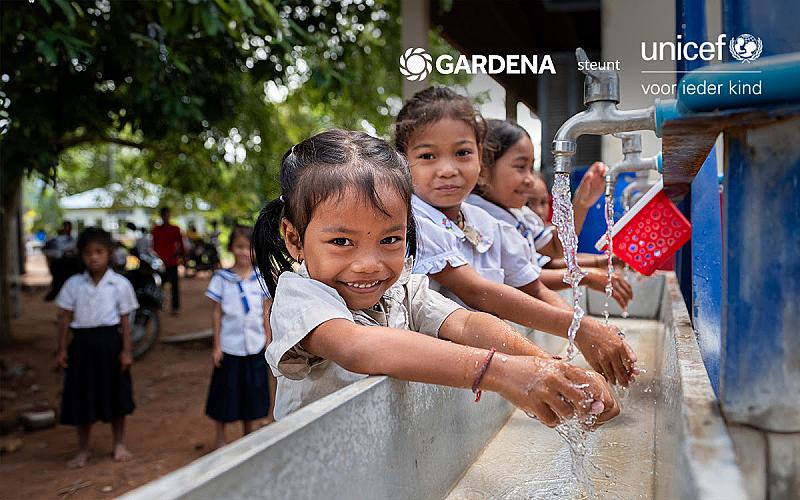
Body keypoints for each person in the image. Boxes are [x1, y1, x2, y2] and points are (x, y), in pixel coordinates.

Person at [253, 129, 619, 428]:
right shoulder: (301, 295)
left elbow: (465, 322)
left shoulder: (402, 286)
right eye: (341, 242)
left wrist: (550, 368)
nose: (369, 264)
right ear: (294, 239)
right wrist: (502, 374)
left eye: (389, 239)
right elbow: (359, 347)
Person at [394, 86, 637, 386]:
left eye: (462, 153)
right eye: (428, 155)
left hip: (483, 360)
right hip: (435, 372)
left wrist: (586, 329)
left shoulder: (484, 222)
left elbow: (533, 287)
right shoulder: (413, 218)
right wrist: (579, 330)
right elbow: (475, 290)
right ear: (403, 162)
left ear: (480, 158)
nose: (447, 169)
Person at [467, 119, 632, 308]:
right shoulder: (479, 219)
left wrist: (582, 202)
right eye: (520, 167)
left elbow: (556, 248)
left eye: (531, 168)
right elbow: (526, 280)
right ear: (483, 169)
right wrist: (589, 276)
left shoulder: (517, 214)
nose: (530, 179)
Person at [54, 227, 138, 468]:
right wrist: (62, 349)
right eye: (88, 253)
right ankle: (82, 449)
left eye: (99, 252)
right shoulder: (73, 285)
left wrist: (126, 351)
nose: (94, 257)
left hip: (110, 344)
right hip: (81, 345)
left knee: (116, 396)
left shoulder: (119, 284)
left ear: (109, 254)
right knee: (82, 397)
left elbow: (125, 321)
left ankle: (119, 443)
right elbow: (65, 318)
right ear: (82, 256)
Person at [205, 225, 275, 448]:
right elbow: (217, 313)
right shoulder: (221, 279)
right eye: (239, 247)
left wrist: (268, 340)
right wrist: (217, 346)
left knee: (252, 392)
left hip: (254, 344)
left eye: (248, 248)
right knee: (225, 391)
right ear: (231, 249)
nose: (244, 252)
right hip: (229, 345)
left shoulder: (261, 278)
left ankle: (248, 437)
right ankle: (221, 439)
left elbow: (265, 311)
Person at [152, 207, 185, 315]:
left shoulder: (175, 229)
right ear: (161, 216)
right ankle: (157, 307)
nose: (166, 217)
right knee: (158, 286)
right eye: (164, 215)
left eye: (167, 215)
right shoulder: (156, 230)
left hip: (172, 262)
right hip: (160, 263)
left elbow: (180, 245)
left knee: (174, 287)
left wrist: (182, 257)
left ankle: (175, 308)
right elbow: (153, 246)